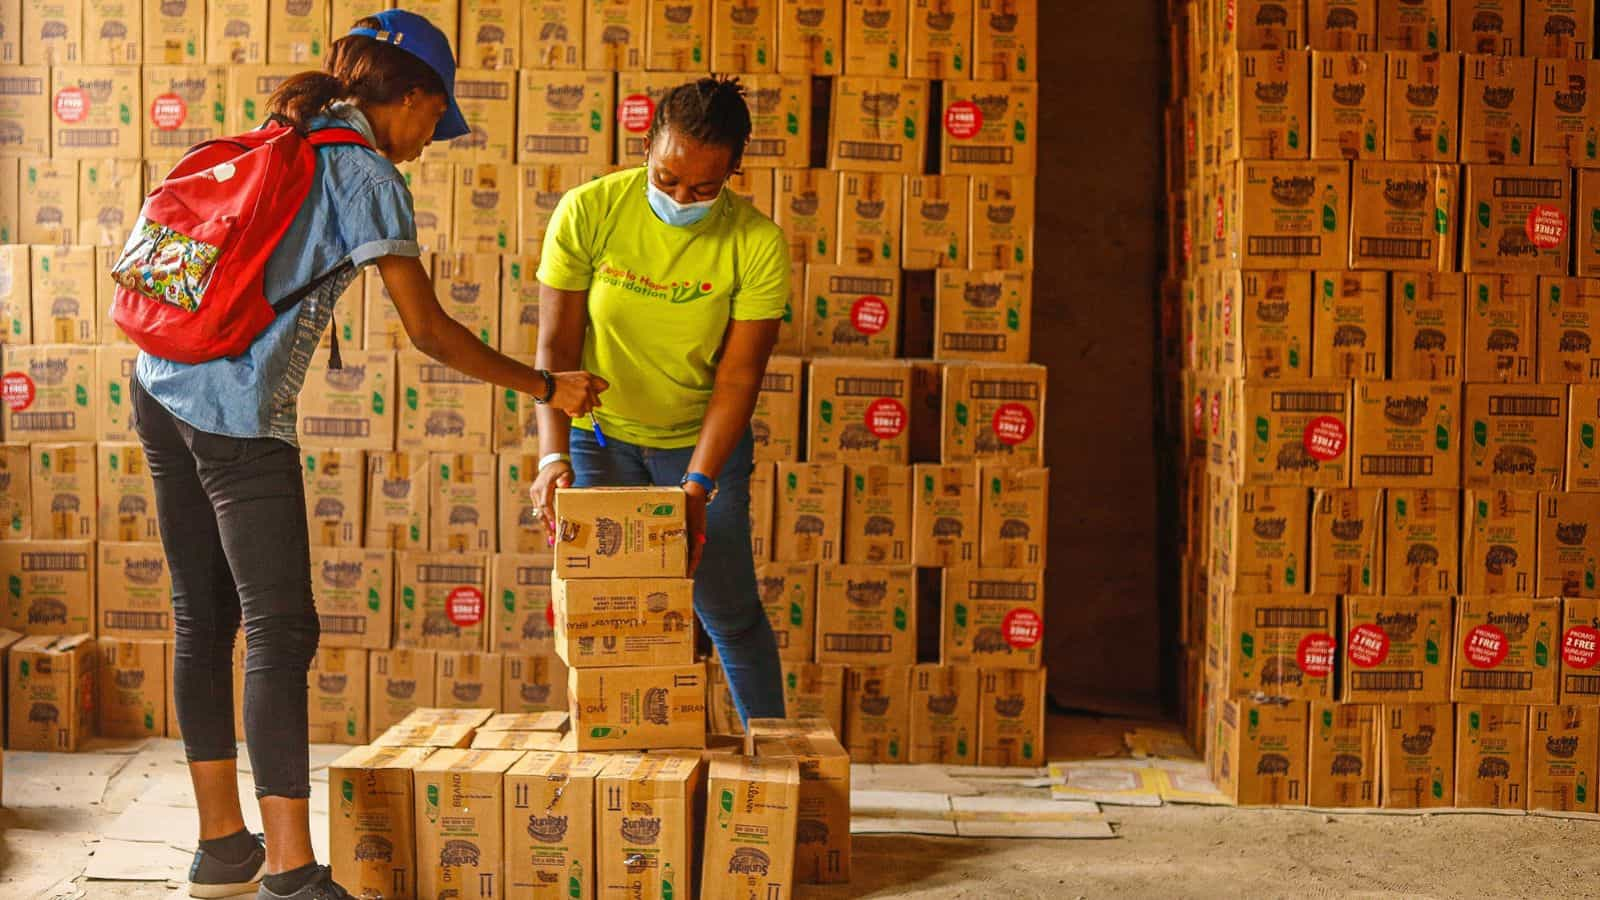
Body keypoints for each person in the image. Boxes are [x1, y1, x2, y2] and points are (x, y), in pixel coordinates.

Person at [130, 12, 603, 900]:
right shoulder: (363, 172)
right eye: (436, 117)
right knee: (281, 627)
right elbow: (427, 331)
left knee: (204, 615)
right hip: (234, 416)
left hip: (158, 387)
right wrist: (547, 388)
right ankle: (290, 870)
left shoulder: (286, 133)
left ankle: (222, 848)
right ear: (413, 97)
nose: (433, 138)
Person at [530, 76, 791, 726]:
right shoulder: (589, 211)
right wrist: (550, 456)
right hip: (601, 440)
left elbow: (738, 378)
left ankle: (781, 755)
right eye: (667, 178)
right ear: (646, 147)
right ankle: (626, 763)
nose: (681, 198)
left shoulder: (756, 243)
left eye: (704, 188)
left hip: (701, 447)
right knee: (609, 613)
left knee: (728, 610)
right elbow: (556, 347)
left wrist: (700, 482)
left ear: (733, 171)